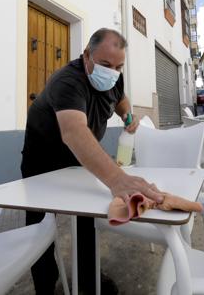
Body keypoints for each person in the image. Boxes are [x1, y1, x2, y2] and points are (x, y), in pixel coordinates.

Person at [20, 28, 164, 294]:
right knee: (40, 227)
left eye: (118, 66)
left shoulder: (114, 79)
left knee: (86, 217)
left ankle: (88, 280)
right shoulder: (67, 81)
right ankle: (44, 285)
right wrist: (118, 179)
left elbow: (120, 99)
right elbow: (74, 131)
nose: (112, 72)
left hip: (78, 161)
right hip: (42, 161)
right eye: (105, 64)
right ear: (87, 55)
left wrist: (128, 118)